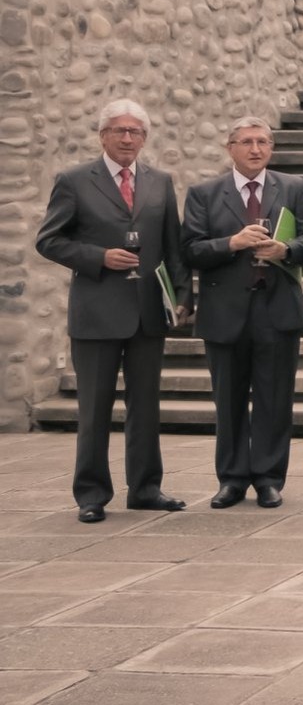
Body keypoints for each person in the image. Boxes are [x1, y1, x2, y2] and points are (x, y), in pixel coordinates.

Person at [35, 100, 191, 523]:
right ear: (102, 135)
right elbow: (48, 240)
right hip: (96, 313)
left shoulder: (160, 182)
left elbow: (173, 246)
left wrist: (180, 295)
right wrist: (98, 256)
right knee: (94, 409)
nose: (127, 138)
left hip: (147, 313)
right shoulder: (73, 181)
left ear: (145, 138)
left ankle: (145, 489)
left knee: (146, 407)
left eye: (135, 132)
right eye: (119, 131)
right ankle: (91, 494)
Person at [180, 116, 303, 510]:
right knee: (229, 399)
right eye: (247, 142)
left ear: (271, 148)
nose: (256, 149)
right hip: (225, 310)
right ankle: (232, 479)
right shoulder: (204, 193)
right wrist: (232, 243)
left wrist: (286, 251)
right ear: (230, 147)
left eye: (263, 142)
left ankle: (269, 478)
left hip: (277, 308)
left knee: (275, 399)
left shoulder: (292, 187)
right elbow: (189, 250)